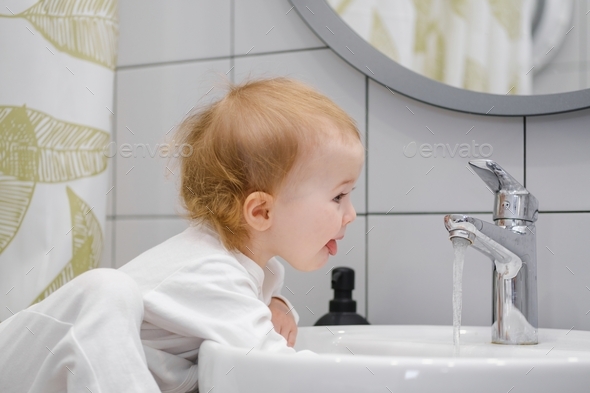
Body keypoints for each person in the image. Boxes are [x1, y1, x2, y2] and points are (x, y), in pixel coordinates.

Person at [0, 76, 366, 392]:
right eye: (338, 196)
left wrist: (276, 304)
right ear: (261, 211)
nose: (350, 215)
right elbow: (278, 371)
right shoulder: (211, 271)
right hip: (14, 368)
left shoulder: (254, 271)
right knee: (107, 289)